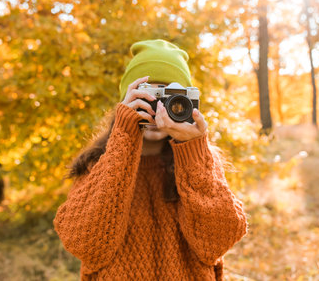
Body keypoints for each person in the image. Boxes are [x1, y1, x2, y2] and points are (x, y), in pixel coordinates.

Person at [53, 39, 248, 281]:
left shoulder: (201, 162)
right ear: (125, 102)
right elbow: (84, 245)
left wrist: (193, 150)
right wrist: (124, 137)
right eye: (149, 97)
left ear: (186, 102)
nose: (158, 110)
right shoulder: (97, 163)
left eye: (169, 99)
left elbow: (218, 243)